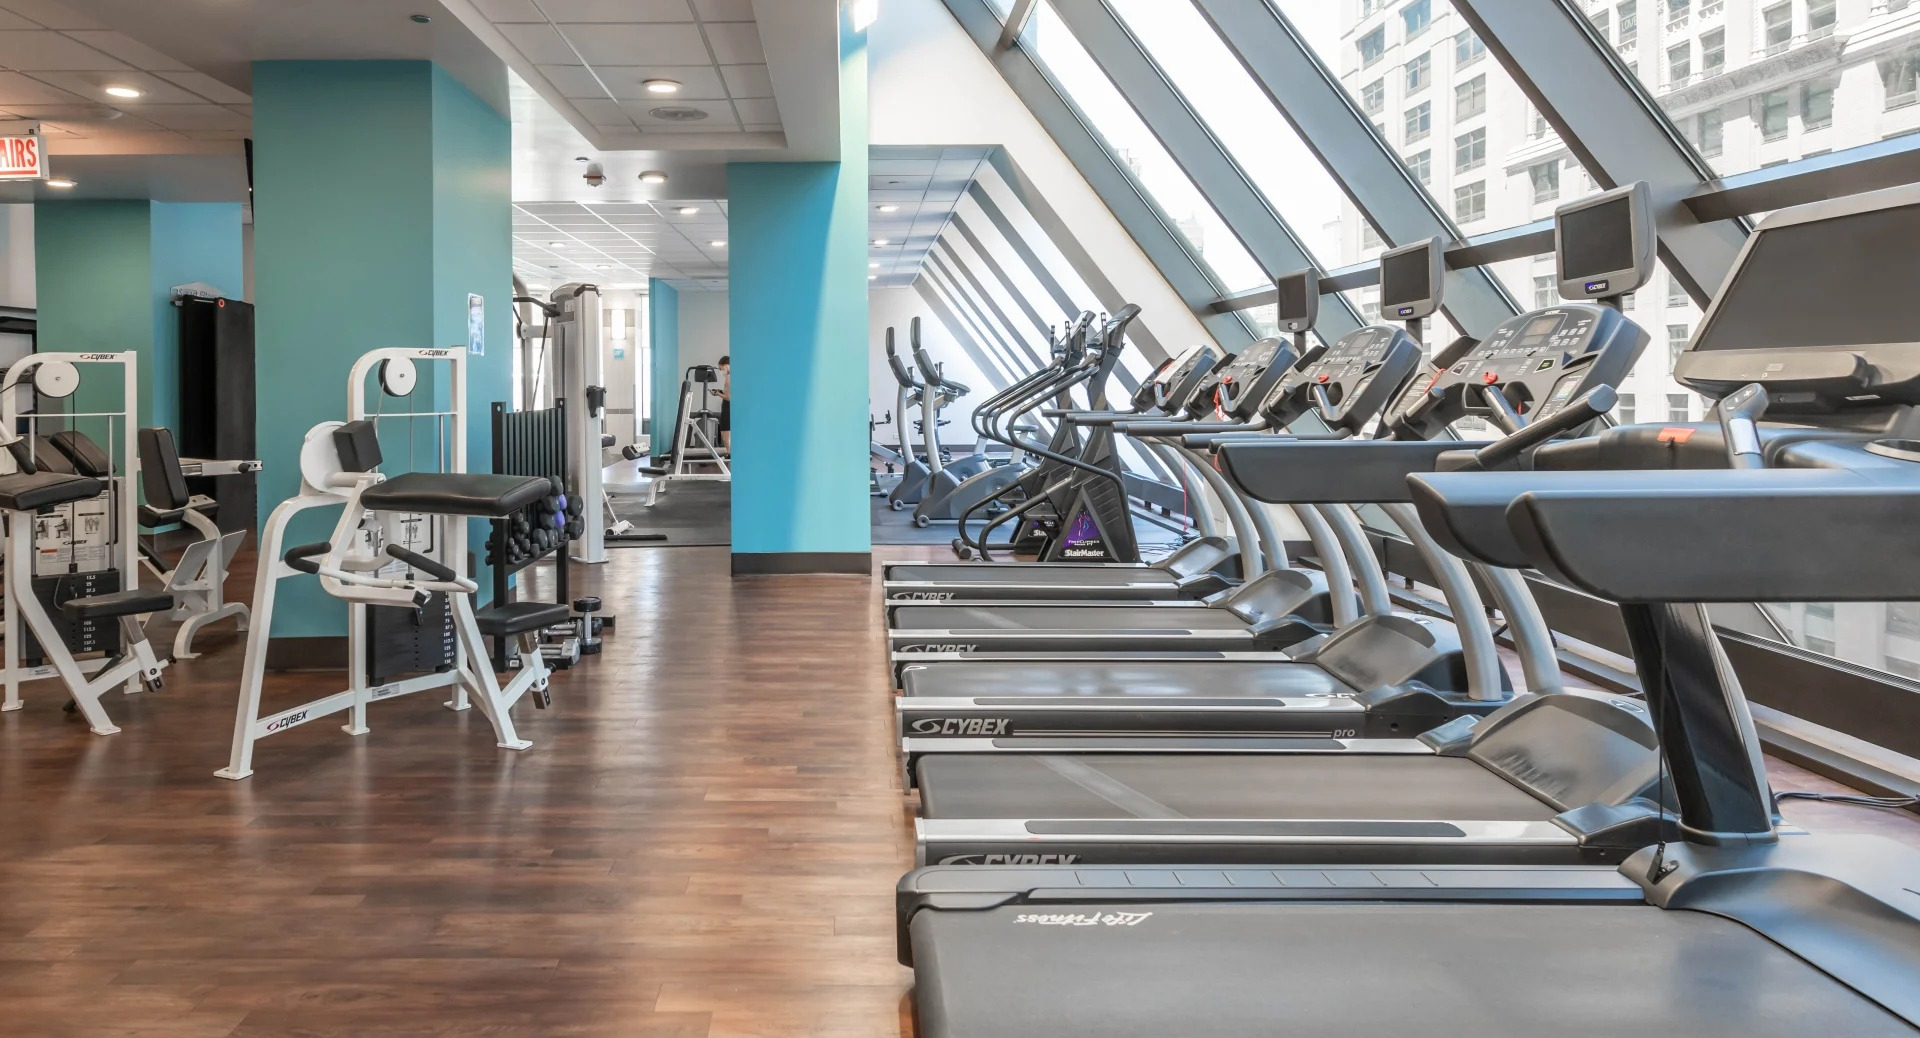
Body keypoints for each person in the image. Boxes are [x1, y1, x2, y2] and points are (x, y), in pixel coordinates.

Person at [716, 355, 730, 450]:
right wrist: (721, 392)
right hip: (728, 407)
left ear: (725, 365)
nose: (721, 371)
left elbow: (728, 397)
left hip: (727, 407)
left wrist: (717, 393)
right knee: (727, 439)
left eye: (721, 369)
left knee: (725, 439)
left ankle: (730, 458)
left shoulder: (728, 377)